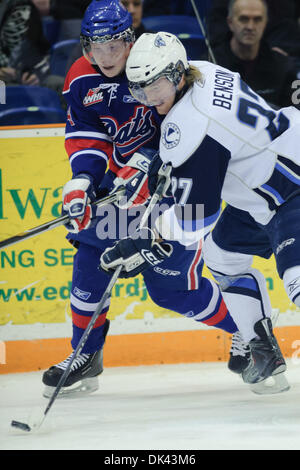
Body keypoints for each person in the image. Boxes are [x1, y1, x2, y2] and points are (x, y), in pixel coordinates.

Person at [42, 0, 245, 399]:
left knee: (171, 291)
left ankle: (248, 331)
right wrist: (84, 181)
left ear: (129, 40)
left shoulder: (154, 63)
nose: (105, 58)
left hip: (172, 195)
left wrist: (149, 162)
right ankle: (84, 354)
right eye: (95, 49)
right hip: (121, 193)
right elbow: (89, 134)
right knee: (88, 269)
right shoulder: (81, 79)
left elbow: (185, 123)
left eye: (113, 47)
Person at [100, 30, 297, 394]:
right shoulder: (202, 70)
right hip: (259, 191)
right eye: (138, 89)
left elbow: (195, 222)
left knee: (297, 280)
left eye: (153, 86)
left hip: (288, 186)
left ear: (175, 75)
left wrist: (144, 238)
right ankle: (262, 350)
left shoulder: (189, 124)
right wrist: (161, 162)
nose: (146, 98)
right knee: (221, 257)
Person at [207, 0, 299, 109]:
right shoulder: (210, 65)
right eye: (243, 19)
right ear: (230, 23)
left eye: (257, 20)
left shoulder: (285, 68)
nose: (250, 26)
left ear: (265, 23)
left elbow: (296, 117)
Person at [0, 0, 51, 86]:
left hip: (26, 87)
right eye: (15, 17)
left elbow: (42, 64)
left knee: (55, 82)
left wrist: (36, 76)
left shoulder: (33, 42)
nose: (21, 22)